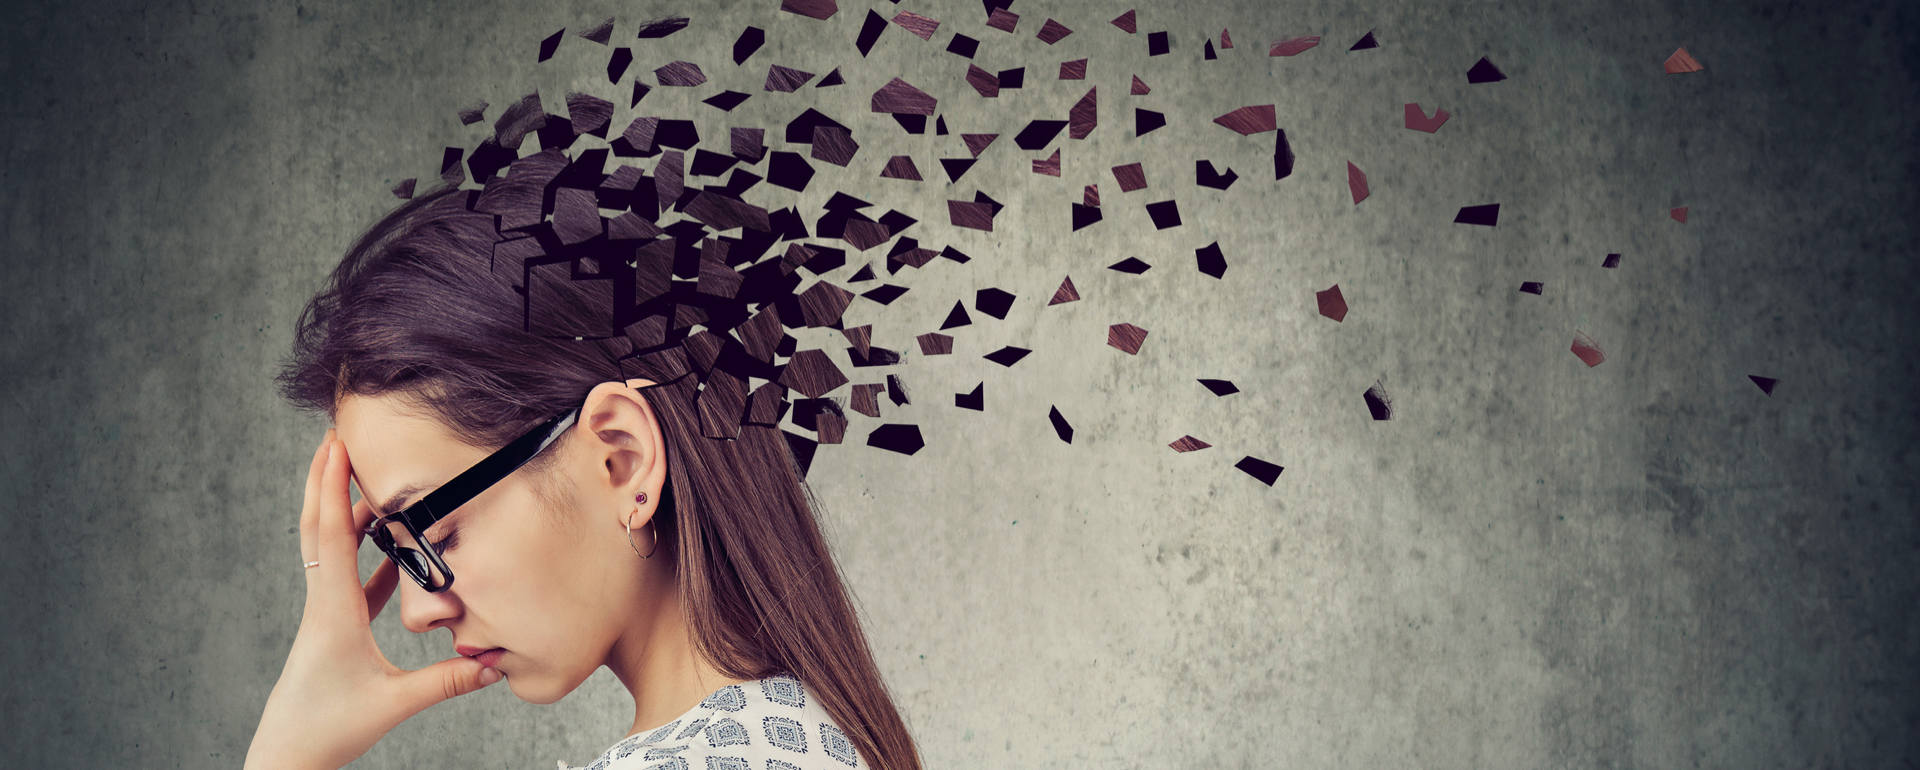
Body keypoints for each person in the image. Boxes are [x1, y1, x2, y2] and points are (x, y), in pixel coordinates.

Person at [243, 175, 923, 770]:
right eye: (398, 549)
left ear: (621, 459)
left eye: (438, 536)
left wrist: (286, 754)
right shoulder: (824, 735)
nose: (417, 612)